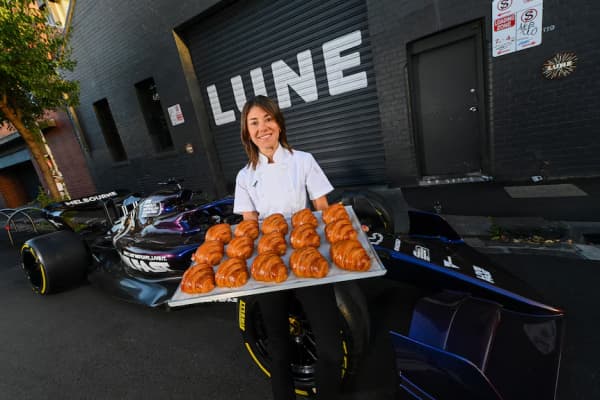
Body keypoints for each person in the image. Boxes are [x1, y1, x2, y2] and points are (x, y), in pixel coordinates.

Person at [233, 95, 343, 400]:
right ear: (247, 131)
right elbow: (249, 225)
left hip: (308, 256)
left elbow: (322, 208)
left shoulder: (303, 160)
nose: (262, 128)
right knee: (279, 349)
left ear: (279, 124)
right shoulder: (245, 177)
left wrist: (345, 233)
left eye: (268, 119)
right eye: (254, 122)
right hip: (269, 263)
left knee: (331, 348)